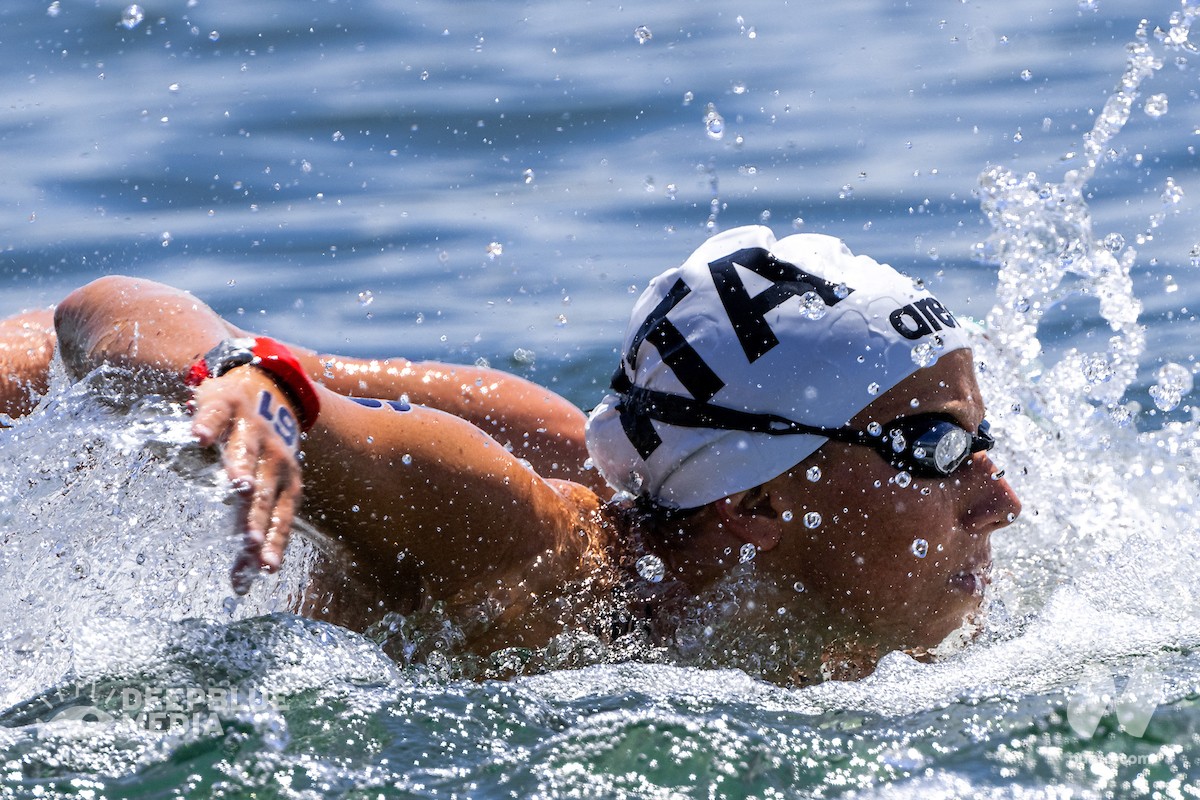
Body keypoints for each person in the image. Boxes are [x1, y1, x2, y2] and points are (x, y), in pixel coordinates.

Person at [0, 226, 1019, 684]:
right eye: (933, 447)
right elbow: (99, 312)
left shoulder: (866, 618)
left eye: (981, 437)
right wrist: (233, 374)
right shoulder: (507, 536)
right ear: (750, 498)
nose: (1000, 495)